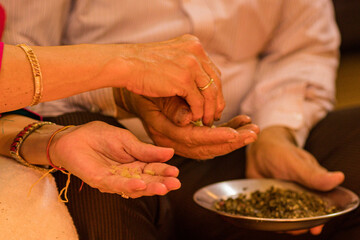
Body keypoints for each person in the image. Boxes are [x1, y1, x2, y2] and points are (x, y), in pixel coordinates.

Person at [2, 0, 360, 240]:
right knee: (83, 169)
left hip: (246, 142)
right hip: (120, 142)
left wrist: (276, 132)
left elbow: (302, 48)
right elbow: (19, 66)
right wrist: (124, 91)